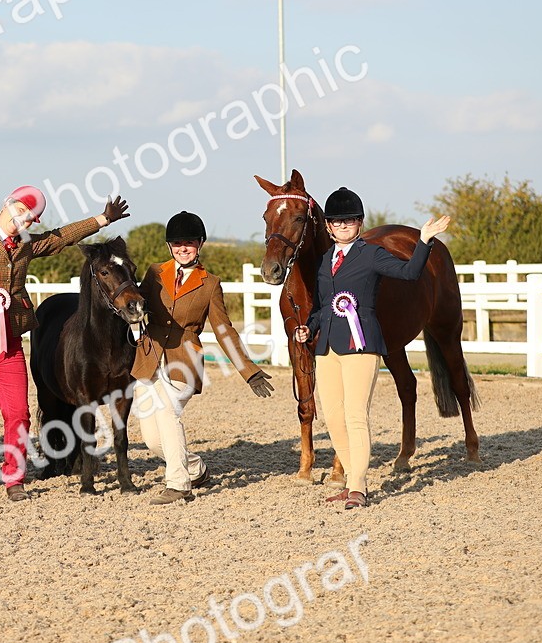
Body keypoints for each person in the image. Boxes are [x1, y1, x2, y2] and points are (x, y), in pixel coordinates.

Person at [0, 186, 131, 502]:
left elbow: (61, 237)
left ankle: (14, 479)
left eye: (31, 219)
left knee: (19, 413)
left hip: (9, 343)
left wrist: (102, 219)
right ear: (8, 204)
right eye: (22, 213)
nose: (25, 222)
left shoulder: (26, 245)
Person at [293, 188, 451, 510]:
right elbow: (323, 306)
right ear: (328, 226)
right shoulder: (324, 261)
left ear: (360, 223)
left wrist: (423, 241)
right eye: (337, 222)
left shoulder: (371, 254)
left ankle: (358, 487)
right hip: (327, 347)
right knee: (334, 417)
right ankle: (352, 478)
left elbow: (409, 272)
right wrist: (309, 326)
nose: (343, 226)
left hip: (360, 343)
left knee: (355, 414)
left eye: (349, 221)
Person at [130, 211, 274, 505]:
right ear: (170, 246)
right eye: (178, 243)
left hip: (184, 362)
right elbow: (136, 305)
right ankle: (195, 469)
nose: (183, 248)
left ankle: (179, 484)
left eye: (190, 243)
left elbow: (223, 330)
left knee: (168, 412)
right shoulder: (155, 272)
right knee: (153, 439)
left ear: (201, 244)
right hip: (149, 359)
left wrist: (248, 370)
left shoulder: (210, 284)